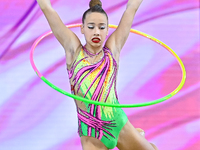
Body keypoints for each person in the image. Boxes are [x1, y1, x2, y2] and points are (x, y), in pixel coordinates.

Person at [36, 0, 158, 149]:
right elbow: (47, 8)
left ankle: (140, 139)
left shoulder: (112, 50)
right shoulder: (74, 51)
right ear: (82, 28)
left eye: (101, 27)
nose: (96, 32)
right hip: (91, 134)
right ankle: (139, 136)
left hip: (118, 124)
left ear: (107, 30)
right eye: (91, 27)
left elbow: (131, 8)